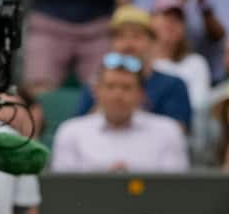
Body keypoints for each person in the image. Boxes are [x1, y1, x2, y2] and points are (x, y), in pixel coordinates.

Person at [51, 55, 189, 172]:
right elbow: (63, 191)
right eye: (110, 86)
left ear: (141, 94)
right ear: (96, 91)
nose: (118, 94)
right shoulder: (70, 131)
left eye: (126, 87)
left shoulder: (168, 131)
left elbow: (175, 190)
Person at [71, 5, 191, 130]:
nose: (128, 44)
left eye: (136, 36)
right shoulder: (96, 84)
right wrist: (103, 101)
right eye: (120, 37)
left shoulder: (173, 85)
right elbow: (77, 134)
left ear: (152, 41)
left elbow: (176, 134)